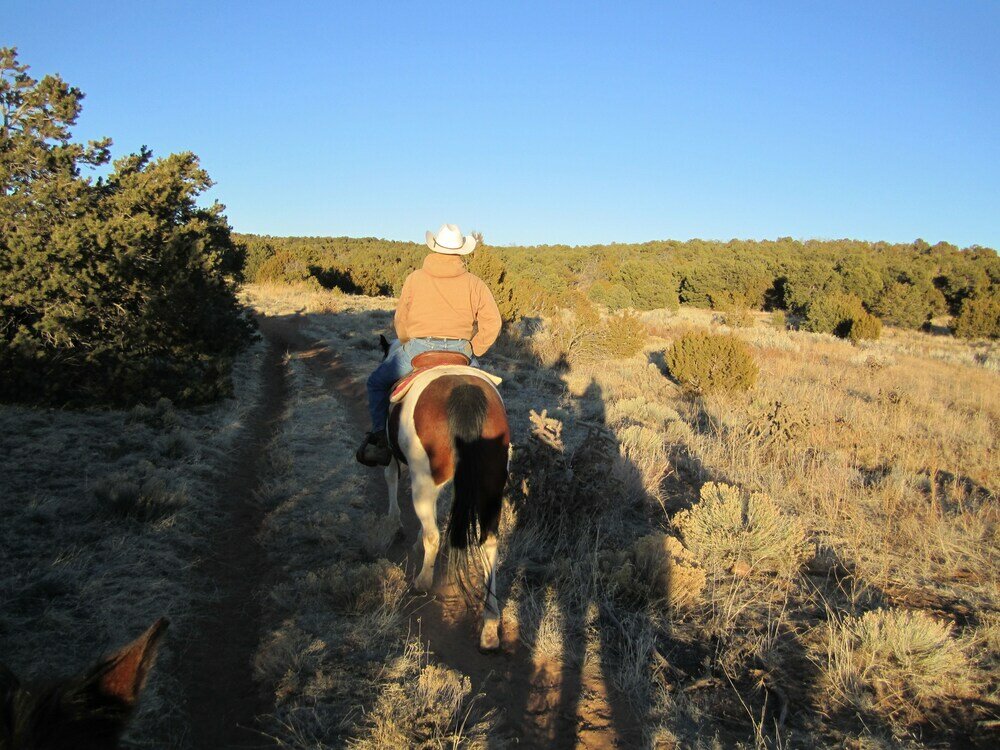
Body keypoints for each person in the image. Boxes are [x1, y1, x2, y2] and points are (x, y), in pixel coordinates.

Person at [356, 224, 502, 466]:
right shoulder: (475, 283)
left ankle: (381, 440)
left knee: (376, 383)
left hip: (419, 350)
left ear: (434, 248)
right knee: (489, 392)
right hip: (461, 352)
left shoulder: (414, 279)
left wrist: (406, 342)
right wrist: (475, 347)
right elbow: (492, 322)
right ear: (460, 252)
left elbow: (401, 319)